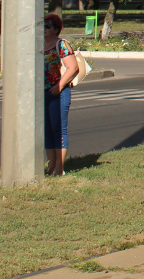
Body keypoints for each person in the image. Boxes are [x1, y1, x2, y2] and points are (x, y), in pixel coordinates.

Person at [44, 13, 78, 176]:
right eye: (42, 26)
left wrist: (59, 86)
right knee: (47, 130)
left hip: (59, 92)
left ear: (56, 29)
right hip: (42, 93)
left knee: (58, 130)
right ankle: (51, 165)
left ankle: (59, 167)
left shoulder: (62, 44)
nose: (44, 29)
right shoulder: (38, 44)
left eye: (47, 26)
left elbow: (73, 67)